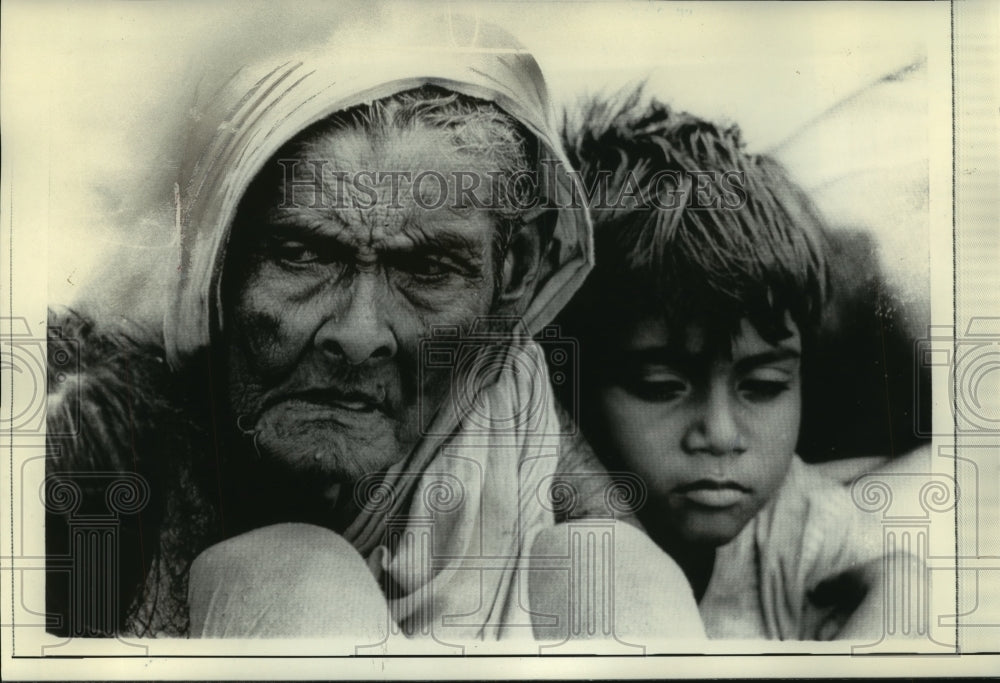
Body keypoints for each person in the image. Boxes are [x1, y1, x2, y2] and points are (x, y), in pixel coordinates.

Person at [46, 19, 701, 644]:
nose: (360, 336)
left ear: (515, 270)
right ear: (218, 258)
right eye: (302, 254)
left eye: (426, 268)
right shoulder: (113, 434)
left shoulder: (504, 396)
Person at [554, 91, 919, 640]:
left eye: (765, 385)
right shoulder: (535, 523)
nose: (720, 435)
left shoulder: (794, 519)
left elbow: (900, 582)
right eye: (661, 386)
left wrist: (895, 597)